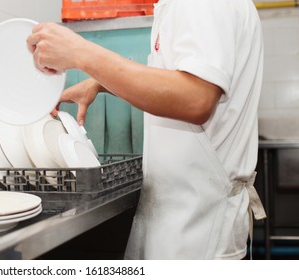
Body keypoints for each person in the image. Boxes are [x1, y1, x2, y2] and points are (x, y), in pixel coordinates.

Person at [27, 0, 266, 259]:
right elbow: (175, 83)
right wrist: (101, 83)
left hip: (199, 232)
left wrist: (82, 53)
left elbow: (196, 98)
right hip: (183, 222)